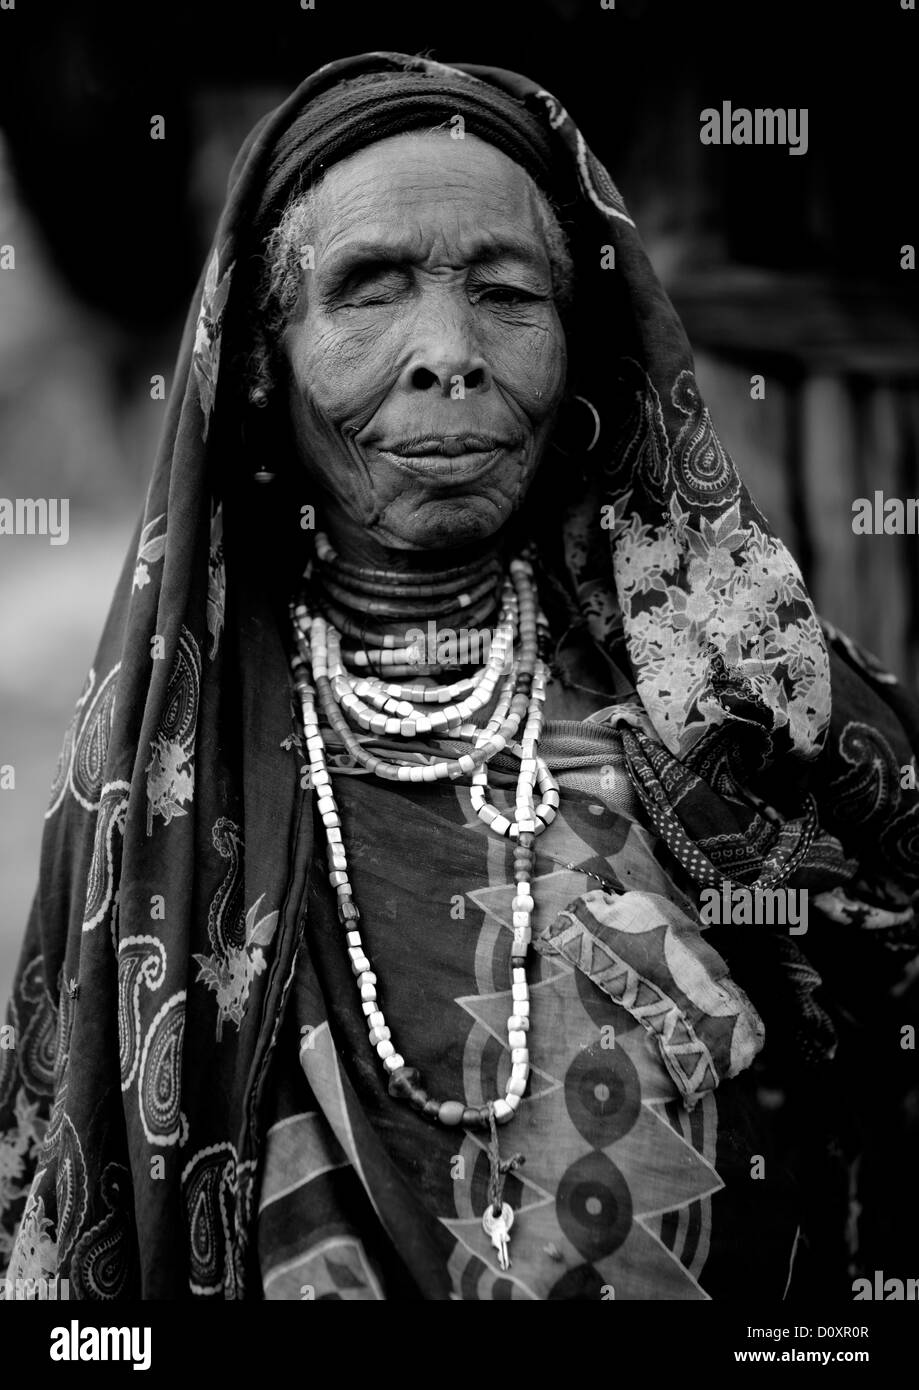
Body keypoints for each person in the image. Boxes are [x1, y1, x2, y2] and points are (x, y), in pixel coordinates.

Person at [1, 51, 916, 1302]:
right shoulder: (157, 783)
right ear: (259, 359)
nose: (449, 353)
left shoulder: (735, 722)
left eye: (506, 293)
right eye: (369, 290)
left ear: (582, 352)